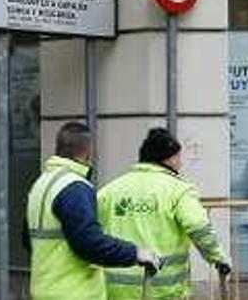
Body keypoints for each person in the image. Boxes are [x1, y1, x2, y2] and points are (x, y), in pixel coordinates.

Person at [26, 122, 162, 300]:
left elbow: (28, 239)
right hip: (75, 293)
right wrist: (135, 253)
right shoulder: (75, 187)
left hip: (44, 289)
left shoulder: (42, 184)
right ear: (88, 152)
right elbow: (90, 243)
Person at [98, 128, 233, 299]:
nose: (180, 163)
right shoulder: (179, 190)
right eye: (178, 157)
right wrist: (219, 257)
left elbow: (91, 234)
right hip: (161, 290)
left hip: (114, 290)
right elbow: (198, 227)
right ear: (169, 159)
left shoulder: (110, 190)